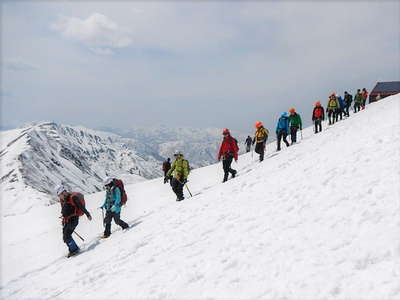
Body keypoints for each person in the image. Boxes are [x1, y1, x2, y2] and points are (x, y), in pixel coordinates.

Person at [56, 185, 92, 257]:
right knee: (65, 235)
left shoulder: (73, 197)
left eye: (60, 195)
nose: (59, 197)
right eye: (59, 196)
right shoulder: (63, 200)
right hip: (67, 219)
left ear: (63, 193)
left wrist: (88, 214)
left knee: (66, 236)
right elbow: (63, 209)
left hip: (73, 220)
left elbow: (81, 207)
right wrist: (64, 218)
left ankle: (74, 249)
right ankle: (73, 248)